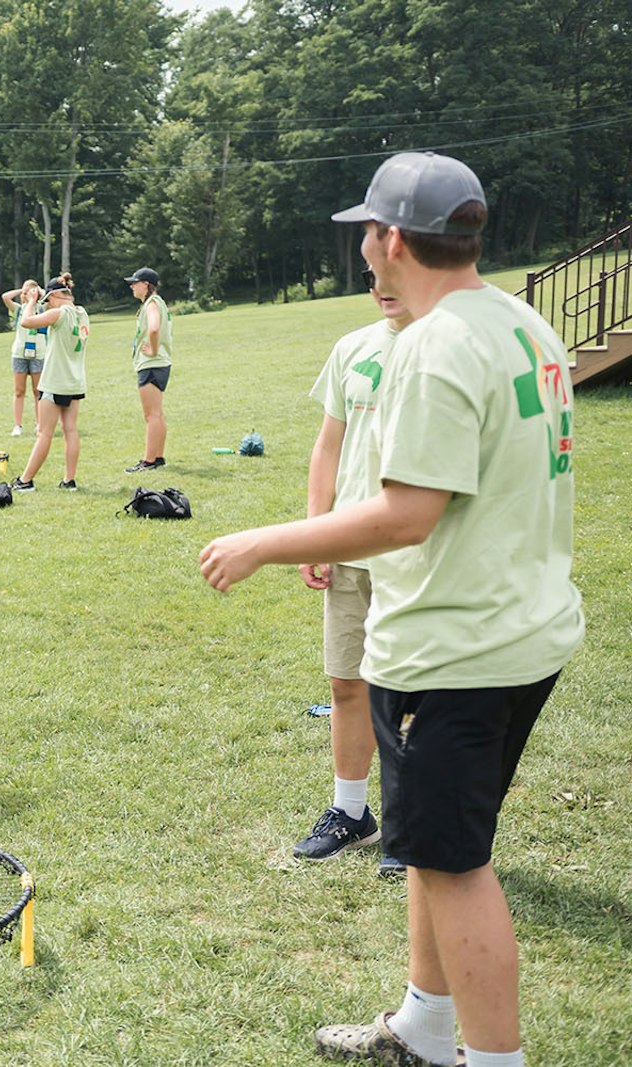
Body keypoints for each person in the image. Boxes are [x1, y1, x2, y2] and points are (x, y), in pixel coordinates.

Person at [200, 152, 581, 1067]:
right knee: (430, 843)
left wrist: (266, 541)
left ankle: (491, 1059)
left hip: (458, 646)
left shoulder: (434, 344)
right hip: (523, 628)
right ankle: (422, 1024)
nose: (363, 251)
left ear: (395, 240)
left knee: (454, 865)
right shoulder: (525, 323)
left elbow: (410, 512)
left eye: (366, 233)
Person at [292, 269, 409, 877]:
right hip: (349, 552)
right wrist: (317, 532)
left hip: (417, 556)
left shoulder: (445, 350)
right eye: (371, 275)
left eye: (393, 272)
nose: (381, 285)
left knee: (414, 696)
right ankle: (351, 812)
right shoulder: (353, 347)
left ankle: (409, 828)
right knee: (346, 683)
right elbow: (327, 447)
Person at [8, 275, 89, 492]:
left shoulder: (58, 313)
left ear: (54, 296)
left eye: (48, 300)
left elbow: (25, 321)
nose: (47, 305)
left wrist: (32, 302)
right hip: (75, 382)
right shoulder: (82, 313)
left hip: (55, 381)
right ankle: (69, 481)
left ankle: (25, 481)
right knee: (71, 430)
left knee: (44, 433)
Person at [124, 267, 172, 473]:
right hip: (161, 363)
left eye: (135, 282)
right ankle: (158, 457)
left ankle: (149, 460)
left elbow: (153, 328)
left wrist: (152, 348)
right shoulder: (157, 302)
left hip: (151, 364)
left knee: (151, 415)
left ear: (146, 284)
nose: (132, 286)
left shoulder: (152, 303)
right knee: (157, 414)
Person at [1, 279, 46, 437]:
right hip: (19, 354)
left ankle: (38, 423)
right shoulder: (19, 310)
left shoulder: (42, 309)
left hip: (39, 354)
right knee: (19, 391)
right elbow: (5, 297)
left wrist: (38, 293)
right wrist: (22, 290)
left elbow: (50, 298)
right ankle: (17, 425)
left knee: (37, 391)